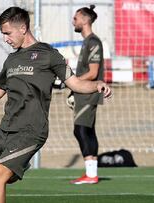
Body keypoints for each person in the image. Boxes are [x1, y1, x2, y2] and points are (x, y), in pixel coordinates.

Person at [0, 7, 111, 203]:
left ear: (22, 28)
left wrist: (97, 84)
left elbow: (76, 84)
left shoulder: (49, 54)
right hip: (5, 129)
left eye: (7, 33)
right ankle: (17, 166)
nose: (5, 39)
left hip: (31, 130)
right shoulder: (11, 60)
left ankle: (10, 166)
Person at [69, 5, 104, 185]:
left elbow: (92, 73)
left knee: (80, 129)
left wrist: (72, 83)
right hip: (84, 91)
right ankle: (91, 174)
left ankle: (91, 175)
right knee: (88, 129)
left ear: (84, 20)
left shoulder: (93, 42)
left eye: (75, 18)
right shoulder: (87, 42)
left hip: (89, 92)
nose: (73, 21)